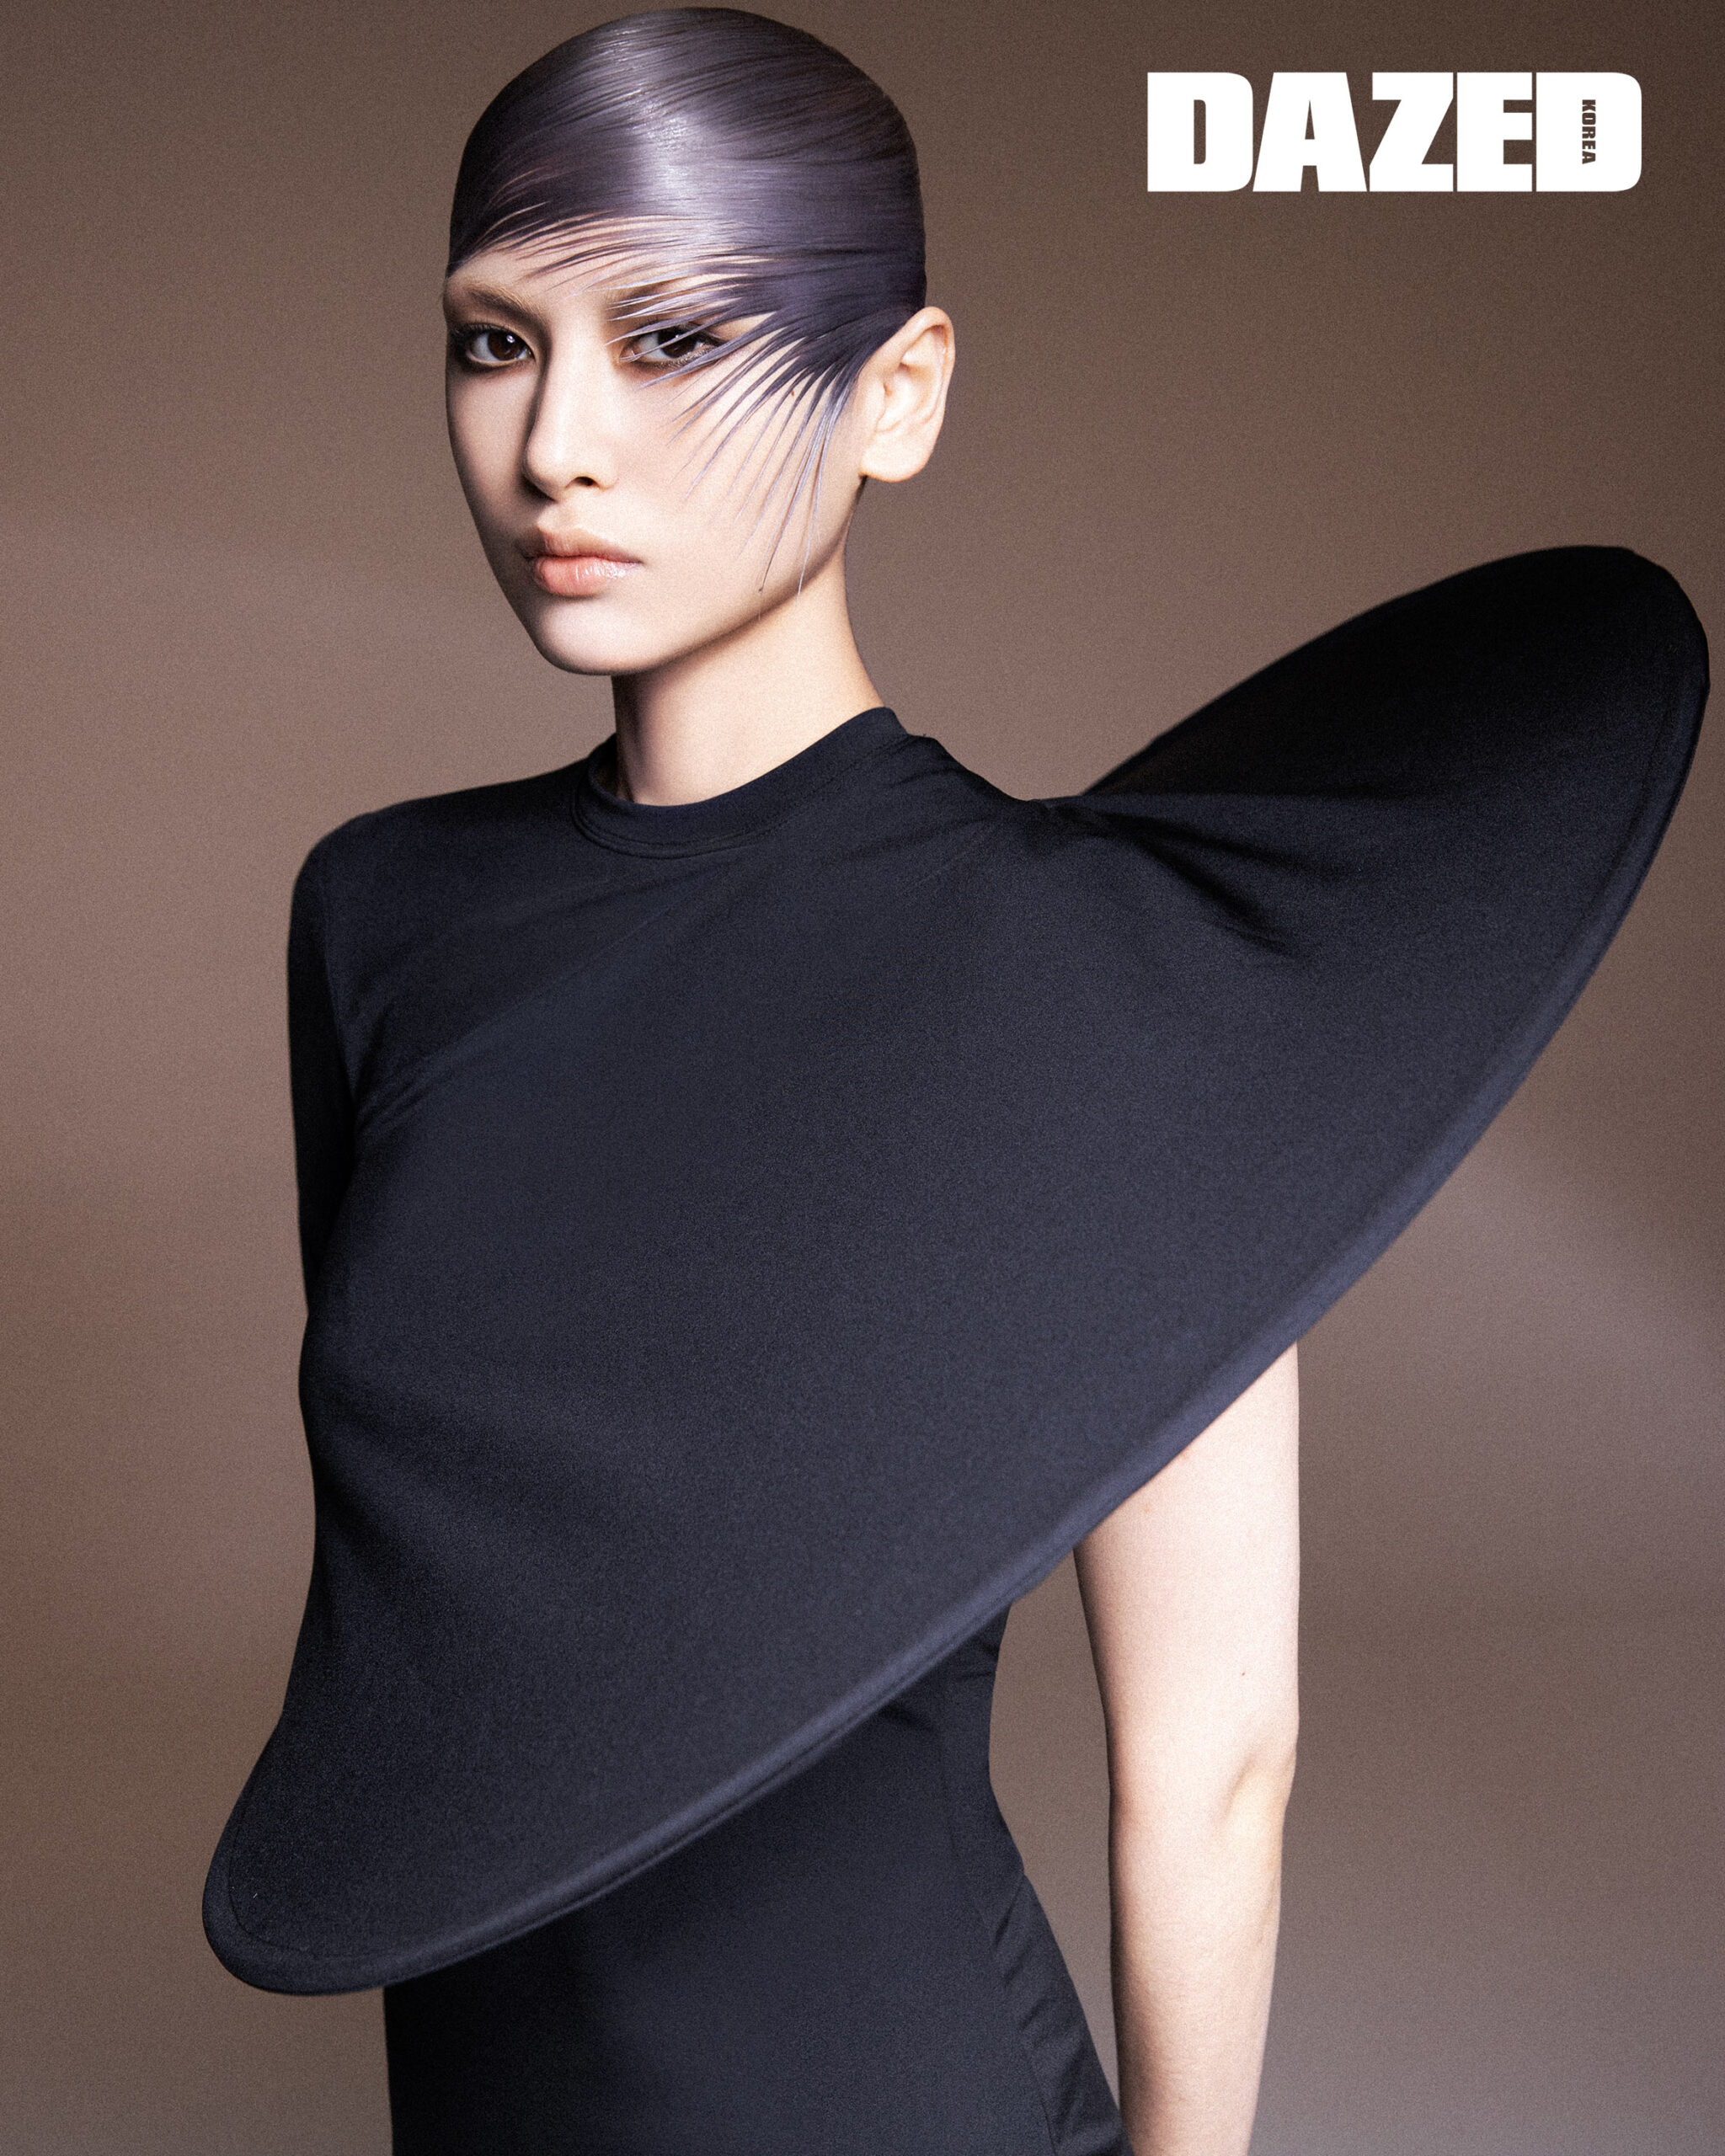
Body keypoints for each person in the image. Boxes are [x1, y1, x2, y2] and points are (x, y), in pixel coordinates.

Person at [201, 13, 1706, 2156]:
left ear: (896, 394)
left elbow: (1212, 1758)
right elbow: (445, 1628)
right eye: (493, 342)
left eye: (671, 338)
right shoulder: (381, 917)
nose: (556, 444)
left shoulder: (1115, 979)